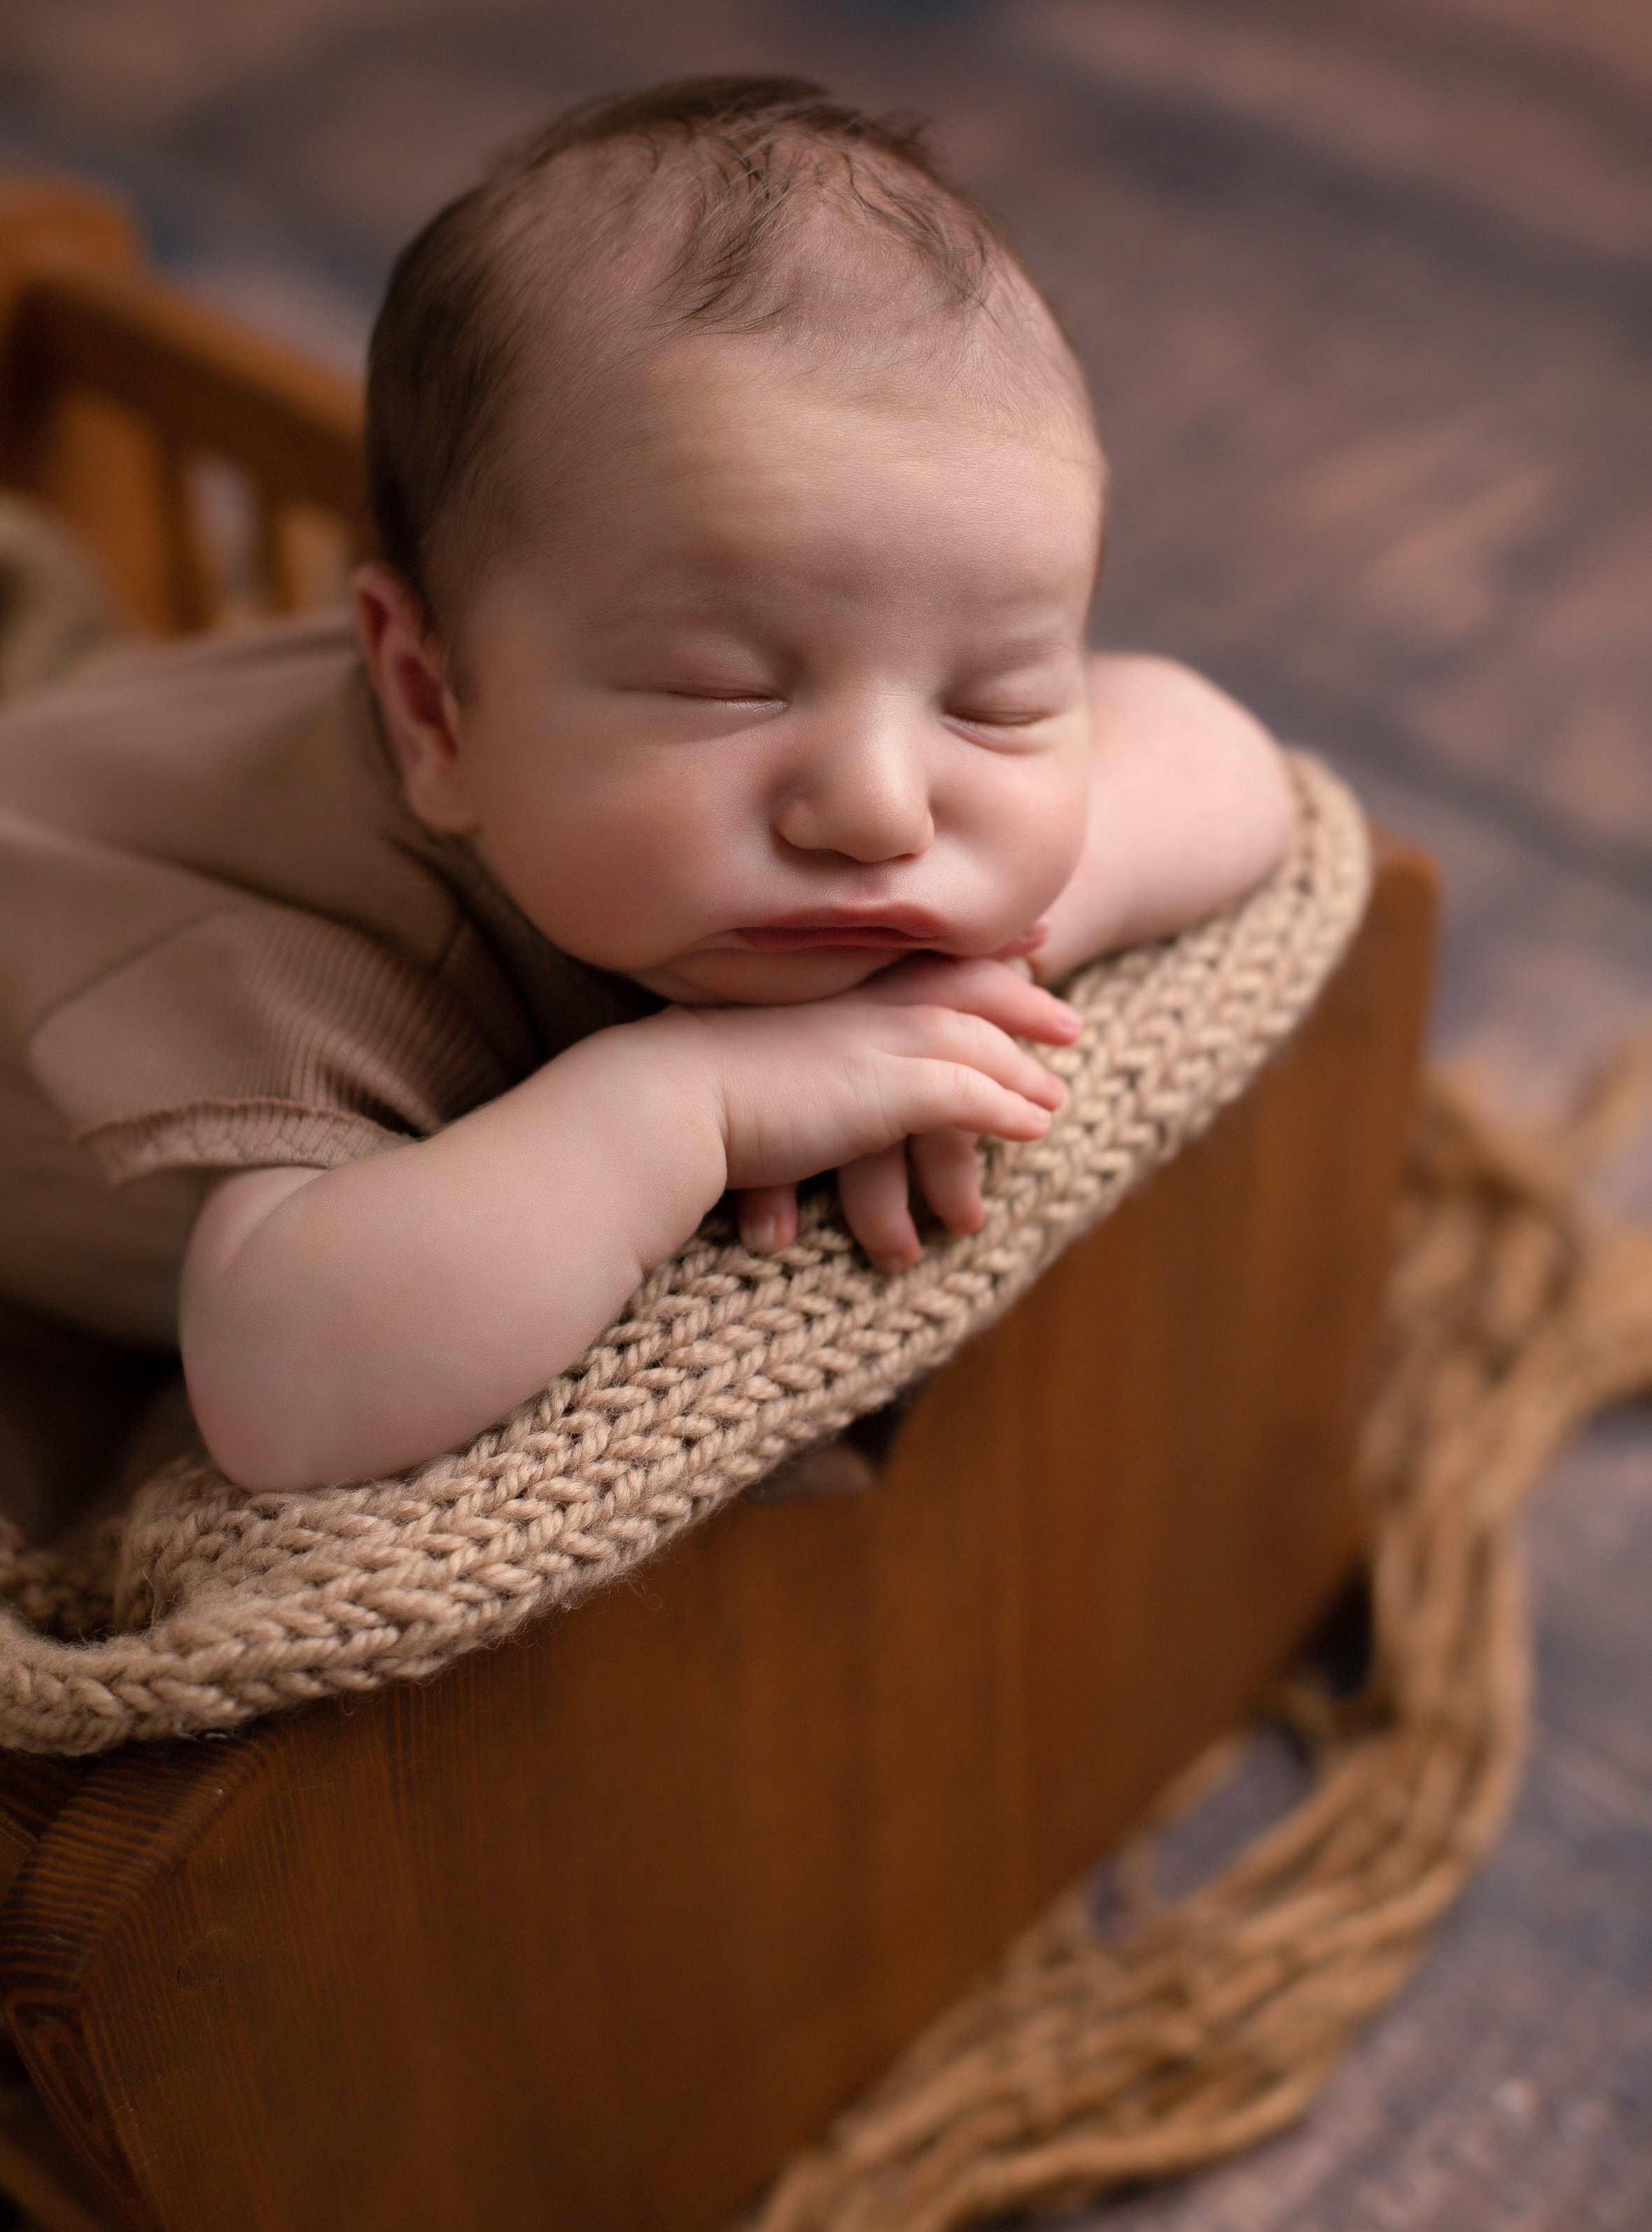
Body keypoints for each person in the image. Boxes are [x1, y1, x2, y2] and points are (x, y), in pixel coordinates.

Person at [0, 76, 1295, 1500]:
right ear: (434, 707)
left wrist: (993, 940)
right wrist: (683, 1106)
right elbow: (280, 1387)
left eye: (991, 700)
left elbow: (1225, 754)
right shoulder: (318, 959)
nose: (877, 811)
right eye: (726, 689)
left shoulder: (606, 729)